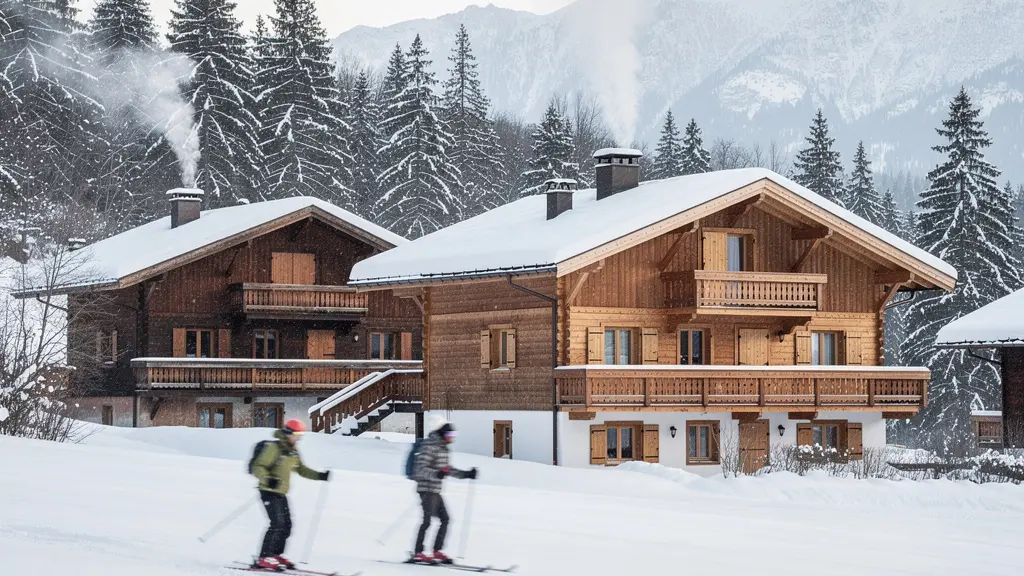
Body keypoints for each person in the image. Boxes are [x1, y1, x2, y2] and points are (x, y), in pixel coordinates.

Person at [251, 419, 330, 571]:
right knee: (277, 523)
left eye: (300, 435)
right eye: (297, 435)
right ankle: (264, 557)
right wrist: (268, 479)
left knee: (287, 525)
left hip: (281, 493)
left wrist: (320, 476)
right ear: (288, 433)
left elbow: (301, 469)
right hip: (268, 491)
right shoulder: (274, 448)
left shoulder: (293, 451)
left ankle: (275, 554)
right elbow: (258, 466)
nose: (298, 438)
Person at [410, 421, 478, 565]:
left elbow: (447, 469)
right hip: (426, 489)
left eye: (454, 435)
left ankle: (436, 551)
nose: (452, 437)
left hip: (435, 490)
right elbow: (420, 469)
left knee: (445, 519)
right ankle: (418, 553)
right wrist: (437, 474)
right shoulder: (430, 446)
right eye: (450, 434)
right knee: (427, 521)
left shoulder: (444, 449)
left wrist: (466, 474)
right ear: (443, 434)